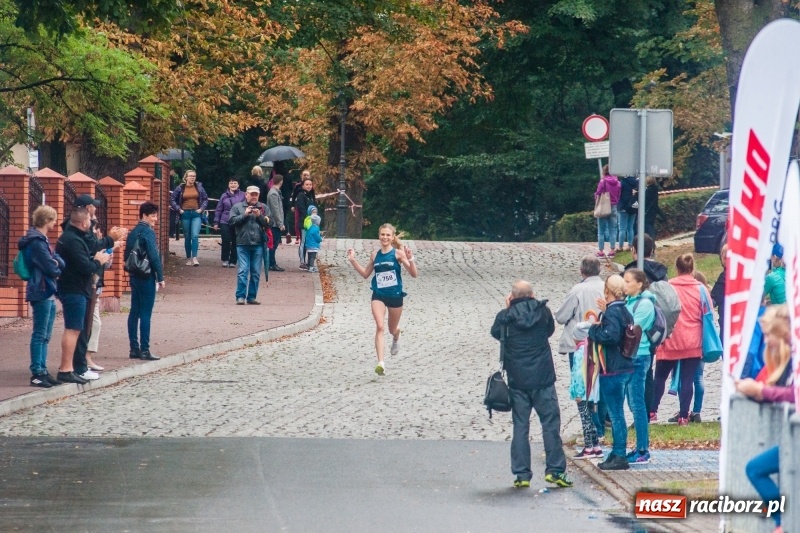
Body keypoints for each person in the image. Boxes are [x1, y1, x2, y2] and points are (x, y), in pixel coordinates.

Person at [490, 280, 573, 488]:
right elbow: (549, 331)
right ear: (533, 294)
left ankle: (522, 474)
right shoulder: (543, 312)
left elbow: (495, 333)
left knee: (520, 426)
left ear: (512, 296)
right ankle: (554, 470)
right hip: (543, 377)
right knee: (550, 424)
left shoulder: (504, 317)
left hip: (517, 380)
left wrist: (509, 308)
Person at [737, 304, 792, 533]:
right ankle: (782, 522)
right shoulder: (784, 362)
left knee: (756, 469)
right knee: (756, 469)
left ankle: (783, 522)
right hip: (792, 438)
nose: (766, 339)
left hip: (794, 438)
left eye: (770, 334)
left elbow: (794, 394)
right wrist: (754, 392)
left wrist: (761, 391)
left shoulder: (793, 361)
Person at [346, 223, 417, 375]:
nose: (384, 237)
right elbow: (366, 274)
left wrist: (411, 259)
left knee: (392, 329)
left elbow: (413, 274)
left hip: (395, 296)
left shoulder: (398, 254)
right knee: (379, 326)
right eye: (382, 234)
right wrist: (352, 260)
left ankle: (397, 336)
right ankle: (381, 363)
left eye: (387, 235)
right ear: (379, 236)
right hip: (378, 294)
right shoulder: (374, 255)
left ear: (392, 237)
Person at [70, 194, 124, 377]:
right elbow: (91, 254)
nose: (95, 209)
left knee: (88, 324)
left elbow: (98, 253)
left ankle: (83, 360)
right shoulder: (76, 234)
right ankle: (82, 361)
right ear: (85, 209)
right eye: (93, 206)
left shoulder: (86, 230)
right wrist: (108, 245)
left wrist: (108, 247)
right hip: (84, 284)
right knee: (87, 324)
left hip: (93, 282)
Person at [55, 208, 111, 384]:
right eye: (90, 220)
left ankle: (71, 368)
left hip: (77, 288)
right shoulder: (71, 240)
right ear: (84, 222)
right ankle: (65, 369)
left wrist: (107, 241)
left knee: (77, 329)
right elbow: (85, 266)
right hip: (73, 289)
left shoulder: (74, 237)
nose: (91, 223)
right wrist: (98, 261)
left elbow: (91, 247)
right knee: (73, 329)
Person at [651, 254, 707, 426]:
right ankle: (684, 415)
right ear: (692, 268)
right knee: (687, 379)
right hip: (692, 339)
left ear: (677, 268)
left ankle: (652, 411)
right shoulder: (700, 288)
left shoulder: (669, 286)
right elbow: (708, 312)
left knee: (660, 377)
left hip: (670, 338)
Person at [588, 274, 635, 471]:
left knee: (615, 414)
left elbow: (610, 335)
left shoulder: (613, 313)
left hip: (613, 368)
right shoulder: (624, 310)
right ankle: (616, 452)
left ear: (607, 291)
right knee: (618, 413)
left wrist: (593, 331)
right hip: (625, 366)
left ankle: (620, 454)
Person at [19, 206, 64, 388]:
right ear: (47, 221)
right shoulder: (37, 241)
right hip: (41, 289)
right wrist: (56, 263)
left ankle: (43, 370)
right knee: (40, 334)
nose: (55, 223)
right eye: (53, 220)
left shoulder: (41, 240)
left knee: (45, 334)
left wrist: (56, 262)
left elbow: (57, 261)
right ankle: (37, 371)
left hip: (47, 289)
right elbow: (52, 266)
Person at [622, 268, 657, 464]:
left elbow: (631, 328)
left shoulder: (645, 304)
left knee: (637, 404)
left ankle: (643, 449)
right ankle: (639, 446)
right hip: (629, 356)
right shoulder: (629, 302)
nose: (624, 285)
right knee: (632, 402)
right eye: (624, 281)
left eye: (628, 281)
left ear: (639, 284)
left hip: (640, 355)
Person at [125, 201, 165, 360]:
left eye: (156, 215)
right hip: (146, 275)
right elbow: (154, 256)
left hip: (134, 275)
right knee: (146, 313)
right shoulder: (148, 232)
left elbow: (127, 253)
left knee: (134, 311)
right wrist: (160, 277)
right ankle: (145, 349)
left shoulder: (134, 231)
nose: (155, 219)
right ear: (144, 215)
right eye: (153, 216)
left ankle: (134, 348)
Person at [554, 255, 604, 371]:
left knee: (578, 380)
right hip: (601, 340)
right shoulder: (606, 286)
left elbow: (561, 317)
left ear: (581, 271)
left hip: (579, 342)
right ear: (599, 270)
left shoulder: (577, 290)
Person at [229, 185, 269, 305]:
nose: (254, 197)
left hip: (258, 244)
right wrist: (245, 215)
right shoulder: (237, 207)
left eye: (256, 194)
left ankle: (251, 297)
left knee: (256, 272)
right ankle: (240, 296)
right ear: (246, 195)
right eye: (251, 194)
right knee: (243, 270)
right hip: (242, 243)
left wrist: (259, 216)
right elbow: (231, 221)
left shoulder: (263, 207)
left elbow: (270, 223)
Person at [170, 170, 209, 266]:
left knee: (195, 235)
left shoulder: (199, 187)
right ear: (186, 177)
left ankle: (195, 257)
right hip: (185, 214)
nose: (192, 178)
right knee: (187, 236)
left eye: (194, 176)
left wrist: (201, 209)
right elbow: (172, 199)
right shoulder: (180, 187)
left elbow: (205, 199)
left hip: (196, 213)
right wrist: (179, 209)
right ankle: (188, 258)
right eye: (191, 176)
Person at [213, 177, 246, 267]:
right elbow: (219, 209)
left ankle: (233, 260)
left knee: (236, 241)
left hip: (237, 220)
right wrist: (216, 222)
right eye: (231, 183)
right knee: (226, 239)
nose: (233, 185)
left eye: (235, 183)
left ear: (238, 185)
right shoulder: (224, 196)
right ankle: (225, 259)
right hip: (225, 220)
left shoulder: (243, 195)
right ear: (228, 185)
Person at [594, 164, 621, 258]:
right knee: (613, 229)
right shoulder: (618, 182)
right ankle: (612, 249)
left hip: (604, 207)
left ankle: (601, 251)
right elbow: (619, 194)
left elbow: (598, 193)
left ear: (604, 171)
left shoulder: (603, 182)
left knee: (601, 230)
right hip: (613, 206)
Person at [294, 175, 316, 269]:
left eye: (310, 184)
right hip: (304, 222)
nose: (309, 186)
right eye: (307, 184)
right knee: (303, 242)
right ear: (303, 185)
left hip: (311, 222)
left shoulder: (311, 195)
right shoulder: (301, 195)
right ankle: (302, 262)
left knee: (309, 242)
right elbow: (301, 208)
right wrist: (307, 217)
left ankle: (309, 262)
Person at [266, 174, 287, 271]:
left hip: (274, 222)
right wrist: (280, 223)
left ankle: (271, 262)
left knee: (274, 243)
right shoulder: (274, 193)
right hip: (274, 223)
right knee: (273, 244)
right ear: (281, 181)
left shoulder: (275, 192)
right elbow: (275, 210)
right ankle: (271, 263)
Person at [617, 175, 638, 252]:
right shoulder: (636, 182)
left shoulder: (622, 183)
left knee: (622, 228)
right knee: (630, 228)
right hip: (632, 206)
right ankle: (630, 245)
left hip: (623, 207)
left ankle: (620, 246)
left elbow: (618, 194)